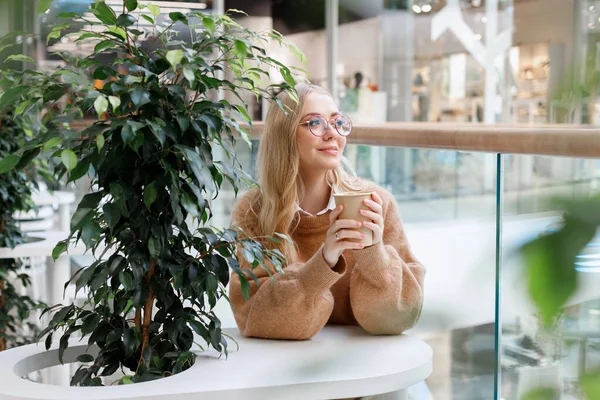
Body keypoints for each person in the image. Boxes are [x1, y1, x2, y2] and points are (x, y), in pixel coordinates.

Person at [229, 83, 425, 340]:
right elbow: (253, 317)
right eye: (315, 123)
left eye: (337, 122)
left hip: (369, 364)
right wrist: (325, 261)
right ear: (285, 134)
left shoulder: (376, 203)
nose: (332, 133)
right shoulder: (254, 211)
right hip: (287, 368)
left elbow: (402, 315)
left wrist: (373, 253)